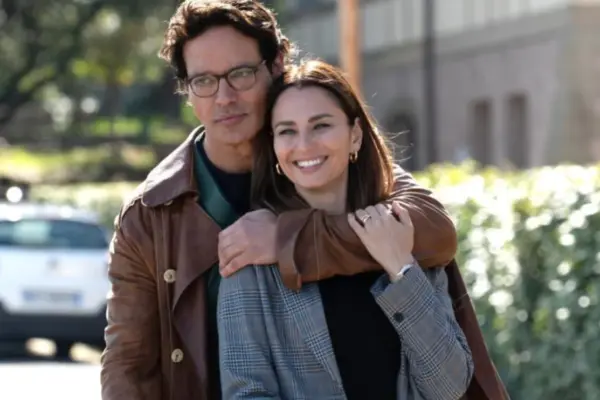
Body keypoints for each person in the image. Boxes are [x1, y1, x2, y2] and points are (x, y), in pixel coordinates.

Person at [99, 1, 462, 400]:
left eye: (240, 74)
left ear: (276, 65)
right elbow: (128, 363)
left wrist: (288, 240)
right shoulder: (152, 213)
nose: (224, 97)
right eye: (203, 81)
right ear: (187, 90)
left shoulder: (331, 169)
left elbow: (435, 231)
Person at [218, 60, 509, 400]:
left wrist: (402, 270)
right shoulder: (252, 254)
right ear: (274, 146)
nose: (304, 144)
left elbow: (449, 386)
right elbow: (247, 393)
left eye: (321, 125)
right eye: (287, 131)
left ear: (355, 135)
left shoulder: (402, 231)